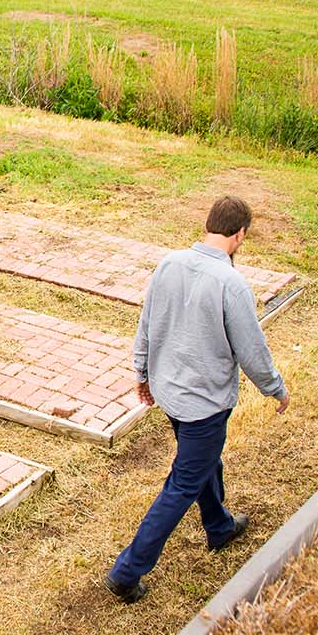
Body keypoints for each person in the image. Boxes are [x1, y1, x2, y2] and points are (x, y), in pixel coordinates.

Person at [105, 196, 289, 604]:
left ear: (208, 225)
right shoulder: (231, 284)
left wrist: (142, 374)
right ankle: (127, 571)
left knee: (203, 460)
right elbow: (252, 351)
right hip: (204, 404)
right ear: (240, 234)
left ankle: (219, 526)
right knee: (183, 481)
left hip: (170, 393)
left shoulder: (169, 263)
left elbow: (146, 323)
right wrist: (276, 388)